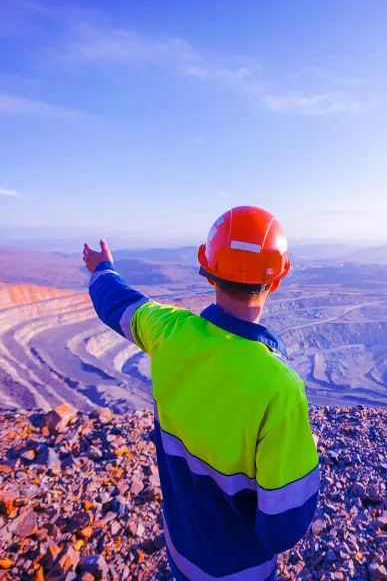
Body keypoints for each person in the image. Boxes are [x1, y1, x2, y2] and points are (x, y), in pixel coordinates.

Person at [83, 206, 320, 581]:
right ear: (277, 278)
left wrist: (102, 269)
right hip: (244, 572)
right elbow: (282, 529)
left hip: (181, 553)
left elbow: (120, 305)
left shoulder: (169, 332)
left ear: (206, 267)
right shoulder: (281, 390)